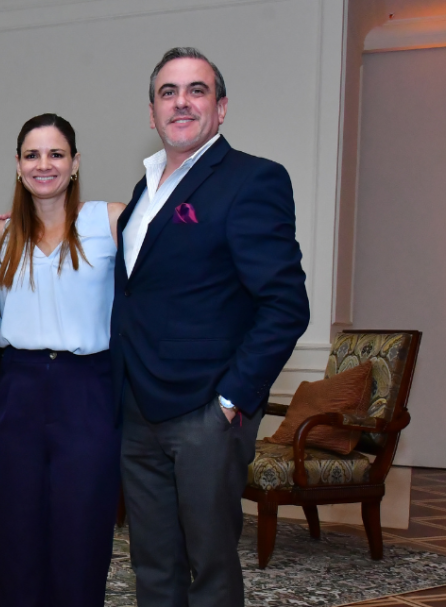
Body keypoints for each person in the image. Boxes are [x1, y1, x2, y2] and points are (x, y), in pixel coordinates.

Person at [112, 47, 310, 607]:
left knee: (213, 568)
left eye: (196, 90)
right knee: (152, 565)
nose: (181, 102)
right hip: (137, 409)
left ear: (220, 108)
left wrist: (232, 399)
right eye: (168, 92)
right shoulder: (144, 193)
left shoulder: (254, 179)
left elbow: (285, 304)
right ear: (151, 112)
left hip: (205, 413)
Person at [0, 113, 125, 607]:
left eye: (56, 154)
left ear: (75, 162)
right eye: (32, 155)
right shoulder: (4, 235)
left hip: (87, 390)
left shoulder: (108, 221)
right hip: (15, 391)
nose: (44, 164)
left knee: (82, 532)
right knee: (16, 535)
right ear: (19, 166)